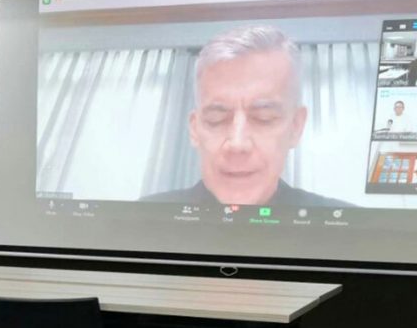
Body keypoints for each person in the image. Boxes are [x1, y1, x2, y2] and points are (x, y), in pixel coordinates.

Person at [142, 25, 350, 206]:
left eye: (264, 118)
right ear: (195, 129)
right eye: (216, 119)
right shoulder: (142, 220)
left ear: (296, 127)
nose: (237, 144)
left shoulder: (347, 232)